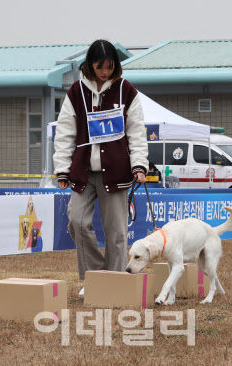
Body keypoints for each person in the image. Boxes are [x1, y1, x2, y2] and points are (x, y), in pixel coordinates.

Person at [53, 40, 148, 296]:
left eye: (110, 66)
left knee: (116, 232)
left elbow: (137, 131)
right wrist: (62, 169)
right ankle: (94, 277)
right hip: (83, 172)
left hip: (117, 172)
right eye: (100, 66)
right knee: (77, 221)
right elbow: (64, 133)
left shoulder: (126, 91)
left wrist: (139, 164)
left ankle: (114, 281)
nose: (105, 71)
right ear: (90, 64)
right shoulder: (75, 92)